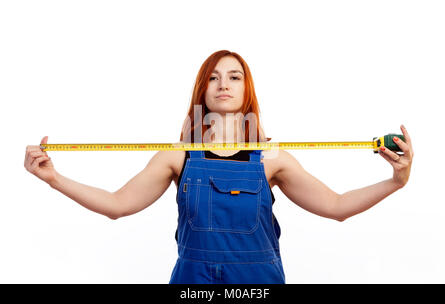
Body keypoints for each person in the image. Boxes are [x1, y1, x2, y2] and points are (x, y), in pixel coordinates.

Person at [24, 50, 414, 284]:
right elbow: (117, 204)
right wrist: (53, 179)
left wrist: (395, 181)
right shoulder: (176, 154)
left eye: (233, 76)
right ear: (202, 90)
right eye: (212, 77)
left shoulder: (271, 157)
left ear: (247, 90)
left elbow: (336, 206)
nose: (222, 84)